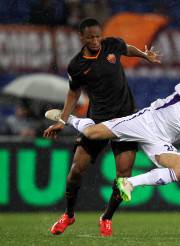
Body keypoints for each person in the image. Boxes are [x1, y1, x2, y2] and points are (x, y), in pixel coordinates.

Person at [44, 71, 180, 204]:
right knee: (91, 133)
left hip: (160, 141)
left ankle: (129, 184)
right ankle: (70, 118)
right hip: (146, 122)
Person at [44, 17, 161, 236]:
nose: (96, 41)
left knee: (123, 176)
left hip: (127, 121)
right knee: (76, 170)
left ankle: (106, 217)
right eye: (91, 37)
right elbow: (73, 92)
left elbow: (127, 48)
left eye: (98, 36)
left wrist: (145, 55)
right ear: (82, 37)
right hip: (98, 121)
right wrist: (61, 121)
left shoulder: (112, 45)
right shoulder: (76, 65)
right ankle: (69, 215)